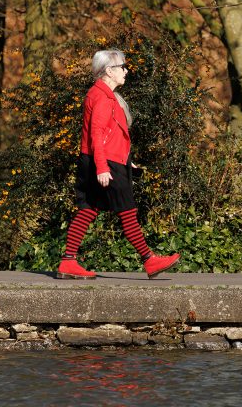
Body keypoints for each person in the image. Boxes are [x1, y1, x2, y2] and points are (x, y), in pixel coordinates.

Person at [56, 49, 181, 279]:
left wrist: (127, 161)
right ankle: (149, 260)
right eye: (122, 67)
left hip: (102, 160)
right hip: (104, 163)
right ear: (109, 71)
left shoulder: (103, 95)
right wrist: (103, 167)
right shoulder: (102, 97)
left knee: (87, 210)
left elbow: (112, 135)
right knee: (127, 211)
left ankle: (67, 262)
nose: (126, 71)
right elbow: (96, 134)